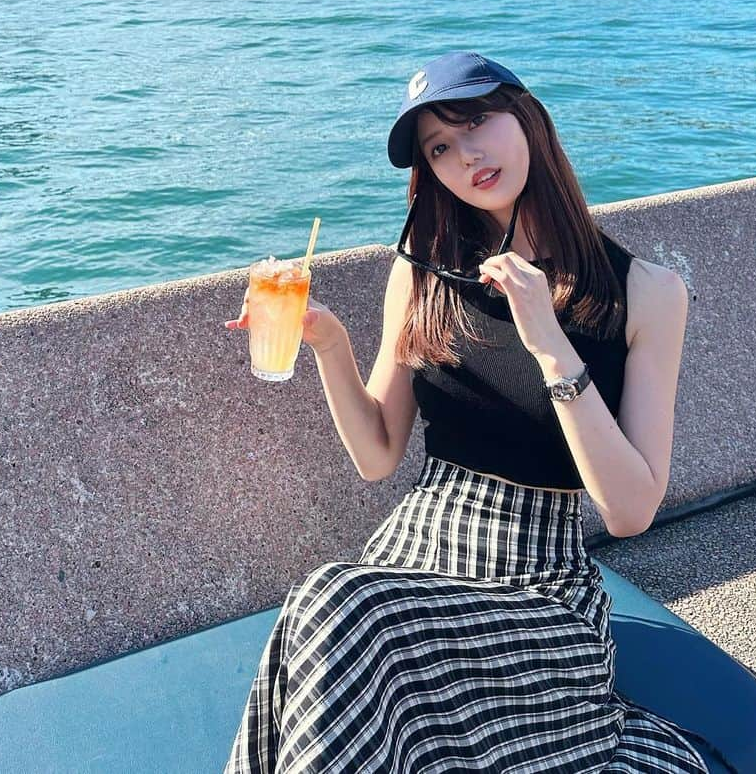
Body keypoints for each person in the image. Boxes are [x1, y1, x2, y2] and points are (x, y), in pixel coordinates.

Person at [223, 50, 711, 773]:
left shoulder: (646, 292)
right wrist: (330, 344)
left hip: (537, 595)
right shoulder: (423, 265)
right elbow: (378, 453)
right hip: (411, 560)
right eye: (440, 147)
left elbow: (632, 509)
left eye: (477, 119)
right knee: (325, 606)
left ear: (528, 116)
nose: (466, 154)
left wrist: (550, 343)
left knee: (336, 601)